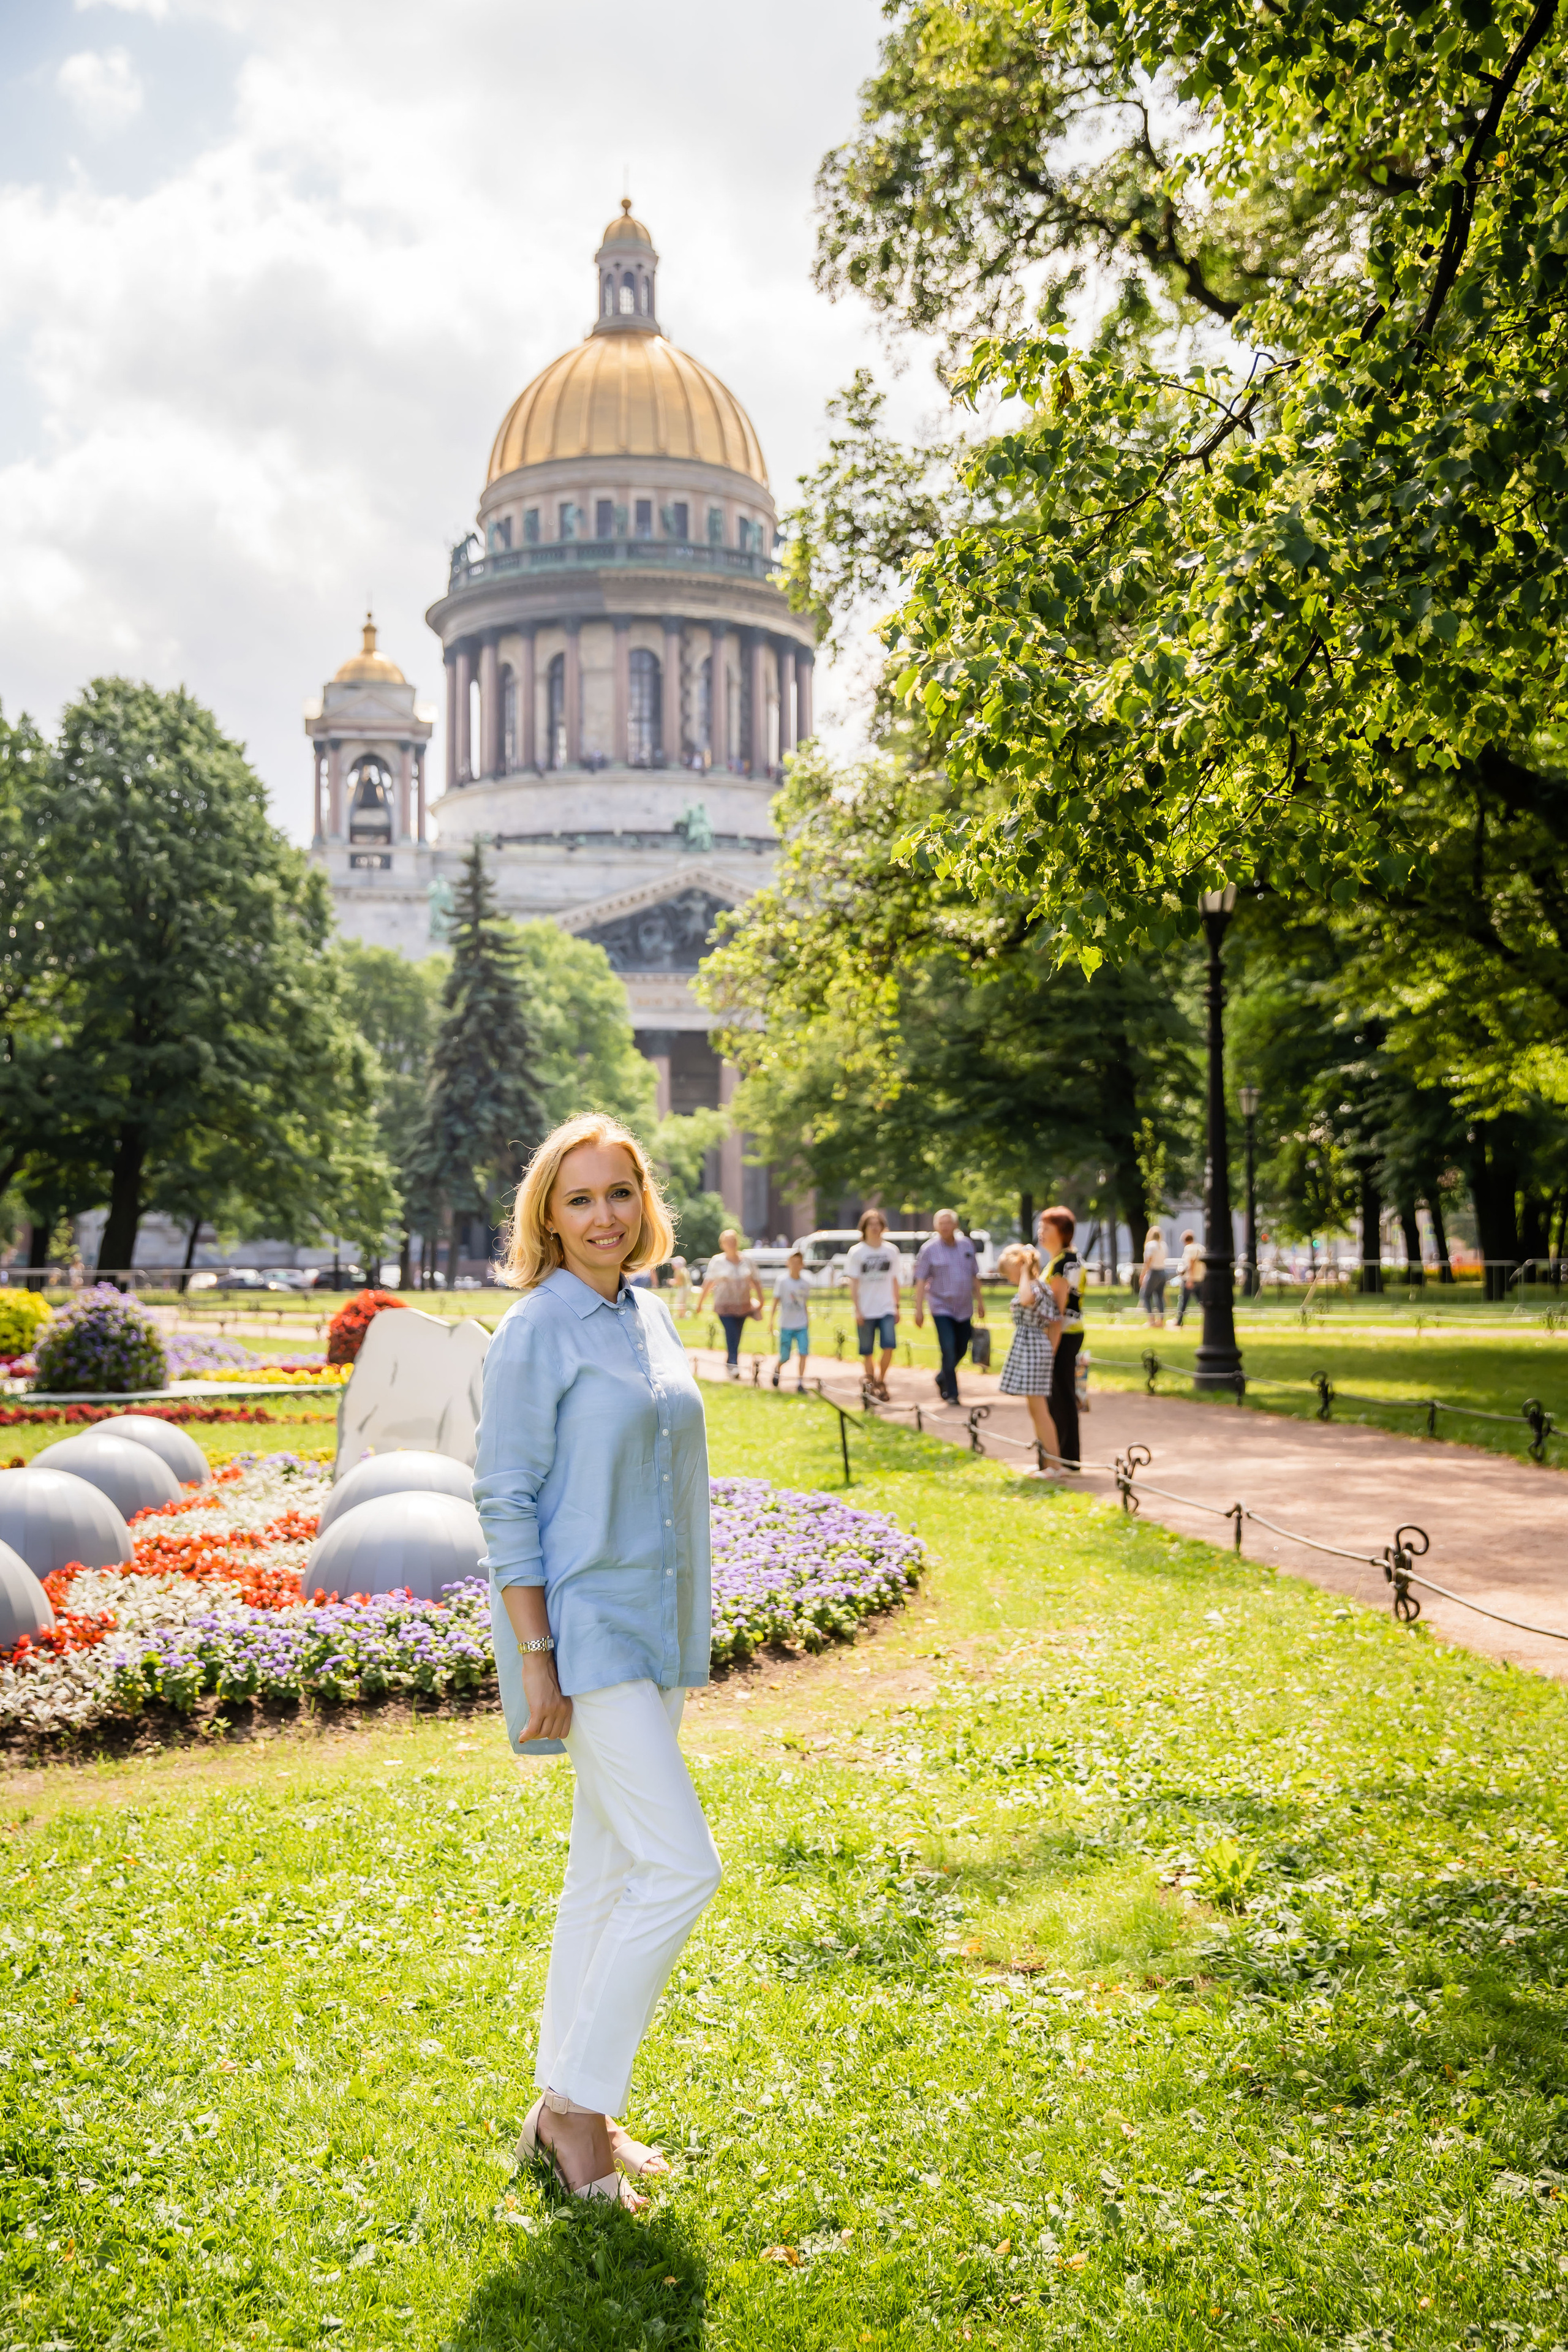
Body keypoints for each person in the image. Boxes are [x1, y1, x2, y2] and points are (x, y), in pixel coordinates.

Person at [473, 1112, 721, 2210]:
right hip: (587, 1633)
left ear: (644, 1202)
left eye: (620, 1192)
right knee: (683, 1868)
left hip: (661, 1626)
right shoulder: (536, 1328)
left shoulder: (651, 1314)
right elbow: (504, 1497)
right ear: (548, 1215)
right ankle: (577, 2110)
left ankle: (562, 2104)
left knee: (608, 1872)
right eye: (579, 1199)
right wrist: (537, 1656)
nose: (604, 1216)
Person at [913, 1210, 987, 1405]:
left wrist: (980, 1302)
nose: (945, 1227)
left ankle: (942, 1376)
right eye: (941, 1223)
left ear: (955, 1225)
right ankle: (953, 1393)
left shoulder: (967, 1245)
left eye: (948, 1223)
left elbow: (974, 1275)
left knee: (961, 1347)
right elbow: (920, 1280)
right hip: (941, 1307)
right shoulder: (929, 1249)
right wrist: (918, 1309)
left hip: (964, 1307)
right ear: (936, 1226)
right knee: (948, 1348)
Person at [996, 1241, 1058, 1466]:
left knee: (1039, 1410)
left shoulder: (1035, 1287)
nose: (1009, 1279)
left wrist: (1024, 1271)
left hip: (1034, 1349)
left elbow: (1025, 1299)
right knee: (1035, 1410)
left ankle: (1054, 1464)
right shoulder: (1035, 1286)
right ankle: (1047, 1462)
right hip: (1029, 1348)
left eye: (1009, 1273)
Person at [1036, 1205, 1084, 1468]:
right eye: (1041, 1227)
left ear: (1062, 1232)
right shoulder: (1059, 1260)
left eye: (1047, 1227)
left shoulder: (1066, 1262)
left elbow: (1057, 1310)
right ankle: (1060, 1459)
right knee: (1058, 1397)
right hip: (1060, 1336)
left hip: (1062, 1337)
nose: (1041, 1232)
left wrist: (1049, 1348)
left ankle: (1065, 1460)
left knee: (1061, 1398)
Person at [845, 1207, 901, 1401]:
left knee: (889, 1346)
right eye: (871, 1225)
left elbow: (895, 1279)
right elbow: (854, 1282)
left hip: (886, 1307)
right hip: (866, 1308)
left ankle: (881, 1380)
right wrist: (857, 1309)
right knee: (867, 1350)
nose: (875, 1228)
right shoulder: (857, 1252)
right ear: (864, 1228)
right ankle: (870, 1385)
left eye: (878, 1224)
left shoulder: (891, 1251)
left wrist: (897, 1306)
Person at [698, 1228, 763, 1379]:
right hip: (724, 1305)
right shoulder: (717, 1261)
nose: (731, 1244)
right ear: (722, 1244)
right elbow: (708, 1283)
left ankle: (730, 1360)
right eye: (728, 1242)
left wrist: (761, 1299)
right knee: (731, 1331)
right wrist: (700, 1303)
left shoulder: (748, 1260)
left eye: (733, 1241)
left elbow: (756, 1281)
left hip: (743, 1305)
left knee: (737, 1335)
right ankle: (734, 1363)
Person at [768, 1248, 813, 1389]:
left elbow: (805, 1302)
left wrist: (807, 1319)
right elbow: (775, 1301)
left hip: (801, 1324)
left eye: (798, 1262)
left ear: (802, 1264)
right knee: (785, 1356)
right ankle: (778, 1368)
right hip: (786, 1324)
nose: (795, 1265)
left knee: (803, 1352)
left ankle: (800, 1382)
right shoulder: (782, 1281)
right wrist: (771, 1321)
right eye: (793, 1262)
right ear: (788, 1263)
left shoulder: (805, 1282)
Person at [1140, 1225, 1168, 1325]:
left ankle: (1151, 1319)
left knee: (1145, 1295)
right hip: (1163, 1272)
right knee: (1159, 1296)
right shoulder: (1163, 1245)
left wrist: (1143, 1274)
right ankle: (1161, 1320)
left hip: (1154, 1272)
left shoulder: (1150, 1245)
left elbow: (1148, 1261)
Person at [1175, 1229, 1204, 1326]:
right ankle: (1210, 1318)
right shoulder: (1201, 1248)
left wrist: (1190, 1279)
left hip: (1190, 1278)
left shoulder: (1189, 1249)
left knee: (1183, 1301)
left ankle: (1179, 1321)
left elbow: (1191, 1264)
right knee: (1201, 1300)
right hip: (1200, 1278)